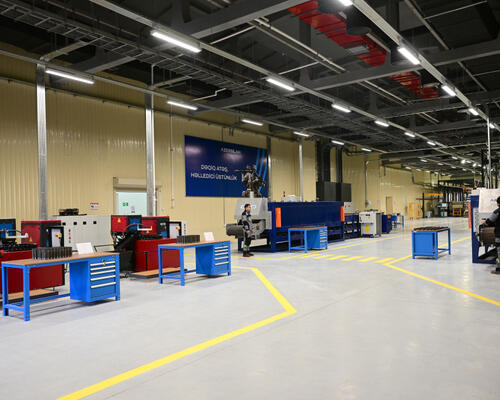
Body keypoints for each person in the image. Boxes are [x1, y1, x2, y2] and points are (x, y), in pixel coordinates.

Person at [481, 196, 500, 271]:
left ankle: (499, 268)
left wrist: (484, 223)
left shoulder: (497, 212)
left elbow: (489, 222)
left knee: (499, 252)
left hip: (499, 235)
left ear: (498, 203)